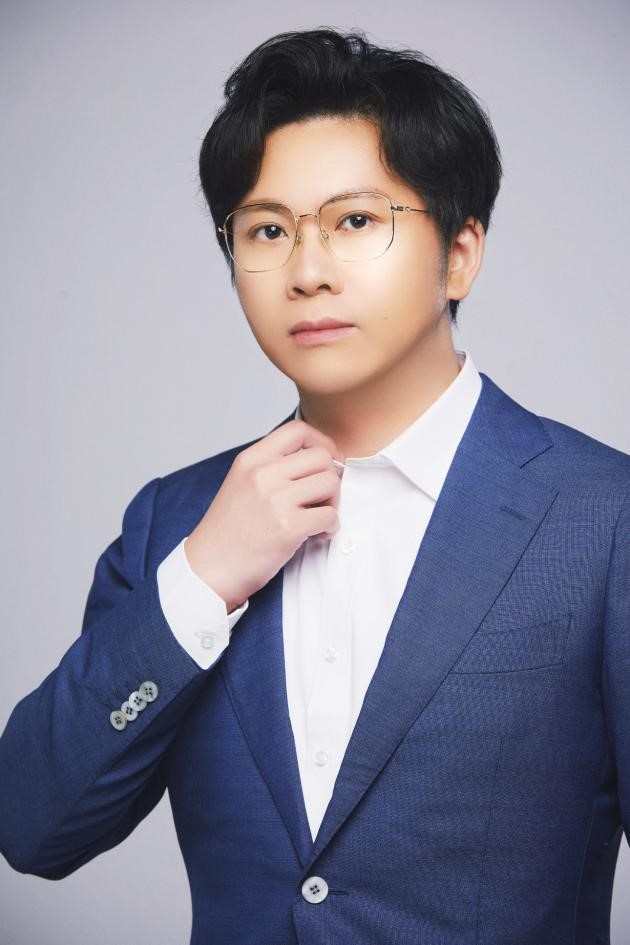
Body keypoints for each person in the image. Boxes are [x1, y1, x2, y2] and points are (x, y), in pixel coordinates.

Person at [1, 26, 629, 945]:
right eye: (267, 230)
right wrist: (202, 582)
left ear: (461, 252)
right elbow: (32, 823)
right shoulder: (175, 523)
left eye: (356, 221)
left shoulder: (602, 519)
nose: (306, 271)